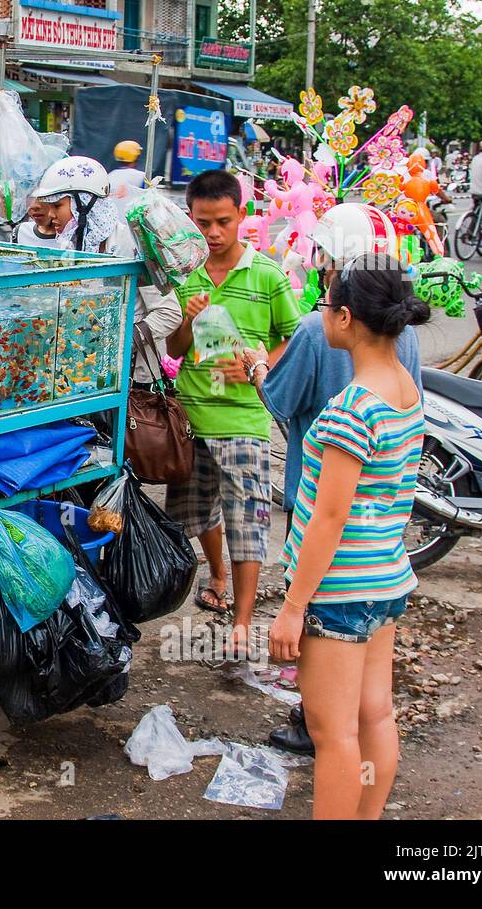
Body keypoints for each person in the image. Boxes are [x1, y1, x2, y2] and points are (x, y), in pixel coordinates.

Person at [248, 203, 423, 756]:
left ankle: (315, 724)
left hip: (335, 558)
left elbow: (328, 510)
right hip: (384, 551)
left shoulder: (319, 339)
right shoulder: (402, 339)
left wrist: (257, 367)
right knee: (373, 712)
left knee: (334, 728)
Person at [164, 168, 302, 655]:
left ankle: (243, 620)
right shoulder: (188, 277)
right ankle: (217, 574)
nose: (214, 233)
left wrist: (264, 366)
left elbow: (293, 336)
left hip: (244, 419)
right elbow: (175, 347)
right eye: (203, 223)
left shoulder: (265, 274)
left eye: (223, 221)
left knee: (249, 520)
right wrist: (187, 318)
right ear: (191, 219)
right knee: (197, 513)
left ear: (242, 215)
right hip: (192, 417)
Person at [31, 155, 182, 387]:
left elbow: (169, 313)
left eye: (58, 206)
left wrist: (116, 341)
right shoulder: (73, 249)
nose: (51, 216)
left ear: (83, 203)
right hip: (88, 376)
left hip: (134, 382)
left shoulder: (131, 244)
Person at [108, 139, 146, 205]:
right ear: (136, 157)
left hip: (110, 214)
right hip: (132, 214)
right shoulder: (142, 177)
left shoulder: (109, 176)